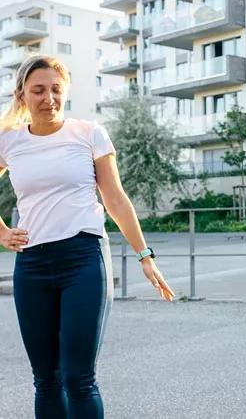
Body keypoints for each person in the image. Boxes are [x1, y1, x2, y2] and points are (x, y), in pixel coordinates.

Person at [0, 55, 174, 419]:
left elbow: (114, 198)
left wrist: (146, 256)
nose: (48, 98)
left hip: (83, 258)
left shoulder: (88, 133)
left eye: (55, 90)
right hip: (31, 265)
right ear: (21, 95)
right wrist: (2, 232)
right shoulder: (10, 142)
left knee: (79, 378)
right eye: (38, 90)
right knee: (45, 379)